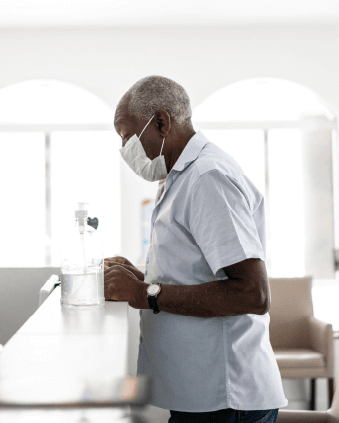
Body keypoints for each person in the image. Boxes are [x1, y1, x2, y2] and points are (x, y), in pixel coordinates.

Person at [104, 76, 286, 423]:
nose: (125, 148)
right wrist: (140, 279)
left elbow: (252, 294)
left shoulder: (207, 178)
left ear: (160, 122)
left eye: (127, 136)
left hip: (225, 398)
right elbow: (196, 274)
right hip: (204, 396)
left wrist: (147, 292)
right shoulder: (181, 178)